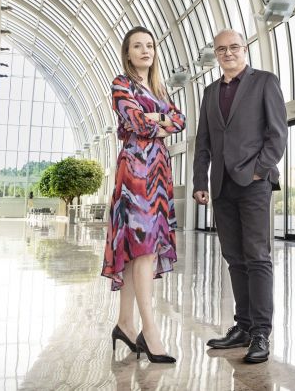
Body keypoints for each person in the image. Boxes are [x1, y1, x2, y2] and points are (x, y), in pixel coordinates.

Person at [193, 29, 287, 363]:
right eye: (221, 49)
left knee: (257, 257)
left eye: (234, 47)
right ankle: (243, 326)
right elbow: (202, 141)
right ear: (216, 54)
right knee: (234, 258)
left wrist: (259, 171)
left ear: (244, 49)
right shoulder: (209, 93)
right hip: (221, 186)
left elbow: (277, 135)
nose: (228, 53)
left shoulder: (264, 81)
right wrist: (199, 181)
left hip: (254, 184)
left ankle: (261, 332)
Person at [101, 26, 185, 364]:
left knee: (140, 252)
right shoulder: (121, 84)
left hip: (159, 173)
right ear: (128, 52)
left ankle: (124, 322)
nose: (145, 51)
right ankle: (150, 331)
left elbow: (180, 121)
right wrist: (157, 120)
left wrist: (157, 117)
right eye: (138, 46)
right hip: (135, 171)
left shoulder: (159, 87)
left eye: (150, 45)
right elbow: (136, 123)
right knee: (145, 250)